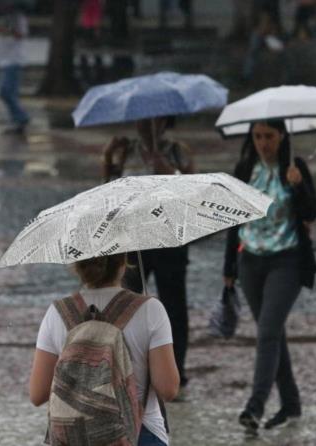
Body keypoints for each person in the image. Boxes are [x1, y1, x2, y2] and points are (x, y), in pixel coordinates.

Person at [223, 120, 316, 433]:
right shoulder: (245, 168)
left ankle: (255, 405)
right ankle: (291, 404)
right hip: (250, 261)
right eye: (258, 136)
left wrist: (298, 185)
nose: (264, 143)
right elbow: (233, 222)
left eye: (270, 136)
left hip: (287, 260)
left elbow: (312, 212)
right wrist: (229, 270)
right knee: (272, 332)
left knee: (266, 332)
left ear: (282, 136)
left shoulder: (295, 166)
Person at [28, 253, 180, 445]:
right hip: (140, 433)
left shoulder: (57, 313)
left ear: (77, 265)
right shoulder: (150, 309)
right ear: (124, 262)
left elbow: (37, 394)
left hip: (76, 438)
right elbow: (168, 389)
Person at [101, 117, 195, 389]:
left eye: (153, 121)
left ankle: (176, 367)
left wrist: (166, 170)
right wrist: (109, 156)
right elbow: (108, 187)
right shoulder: (127, 149)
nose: (146, 126)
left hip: (169, 239)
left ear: (165, 121)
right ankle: (130, 364)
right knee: (127, 302)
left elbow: (192, 190)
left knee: (173, 305)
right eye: (142, 121)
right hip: (132, 238)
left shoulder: (177, 150)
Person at [0, 4, 30, 135]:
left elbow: (21, 35)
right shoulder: (1, 17)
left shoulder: (19, 18)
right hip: (2, 60)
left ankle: (21, 117)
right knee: (10, 93)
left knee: (4, 91)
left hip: (13, 60)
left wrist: (7, 29)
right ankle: (17, 122)